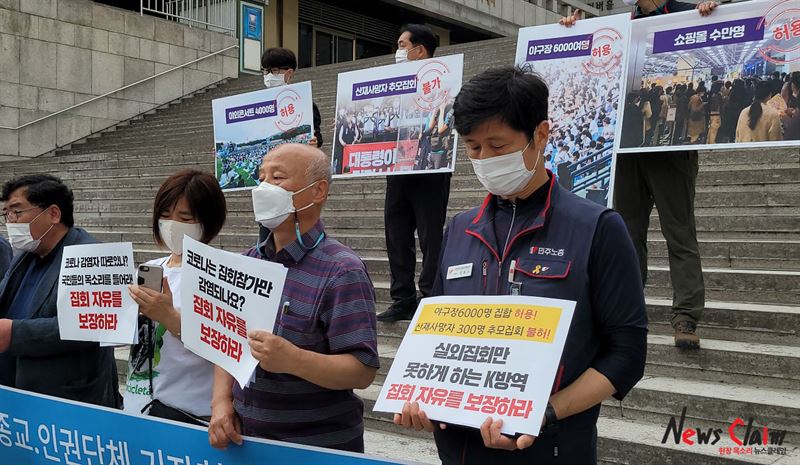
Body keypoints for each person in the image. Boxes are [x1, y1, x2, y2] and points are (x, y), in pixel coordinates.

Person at [394, 66, 647, 464]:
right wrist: (420, 396)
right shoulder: (459, 230)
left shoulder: (596, 228)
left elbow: (627, 354)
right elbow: (435, 337)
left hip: (551, 449)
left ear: (540, 135)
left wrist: (545, 412)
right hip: (461, 453)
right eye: (473, 148)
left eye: (497, 146)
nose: (484, 159)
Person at [562, 0, 717, 350]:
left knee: (679, 231)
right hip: (627, 149)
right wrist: (574, 30)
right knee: (628, 233)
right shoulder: (620, 23)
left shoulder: (688, 12)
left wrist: (712, 12)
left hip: (669, 152)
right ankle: (628, 308)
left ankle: (686, 315)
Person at [208, 144, 379, 453]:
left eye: (277, 178)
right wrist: (221, 402)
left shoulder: (342, 271)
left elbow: (362, 369)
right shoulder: (246, 262)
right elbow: (226, 341)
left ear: (318, 191)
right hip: (246, 443)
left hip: (315, 448)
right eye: (261, 177)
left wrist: (294, 360)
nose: (263, 188)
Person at [0, 175, 120, 407]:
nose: (10, 222)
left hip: (63, 401)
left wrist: (14, 333)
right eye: (7, 214)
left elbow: (93, 325)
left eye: (17, 211)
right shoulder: (25, 255)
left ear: (53, 214)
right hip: (13, 394)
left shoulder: (93, 256)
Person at [124, 170, 227, 424]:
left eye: (184, 217)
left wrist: (169, 317)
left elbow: (227, 349)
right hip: (138, 408)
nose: (171, 224)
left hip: (189, 415)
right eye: (165, 215)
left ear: (209, 220)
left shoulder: (220, 276)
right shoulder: (151, 268)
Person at [378, 24, 451, 322]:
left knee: (430, 235)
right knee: (396, 234)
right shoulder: (393, 86)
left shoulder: (444, 81)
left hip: (431, 168)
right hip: (398, 169)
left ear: (419, 50)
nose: (398, 51)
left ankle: (431, 294)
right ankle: (403, 298)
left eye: (402, 45)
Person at [261, 48, 323, 148]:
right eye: (265, 71)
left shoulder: (305, 104)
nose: (269, 75)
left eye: (275, 70)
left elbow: (317, 137)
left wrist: (314, 142)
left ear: (289, 73)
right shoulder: (259, 105)